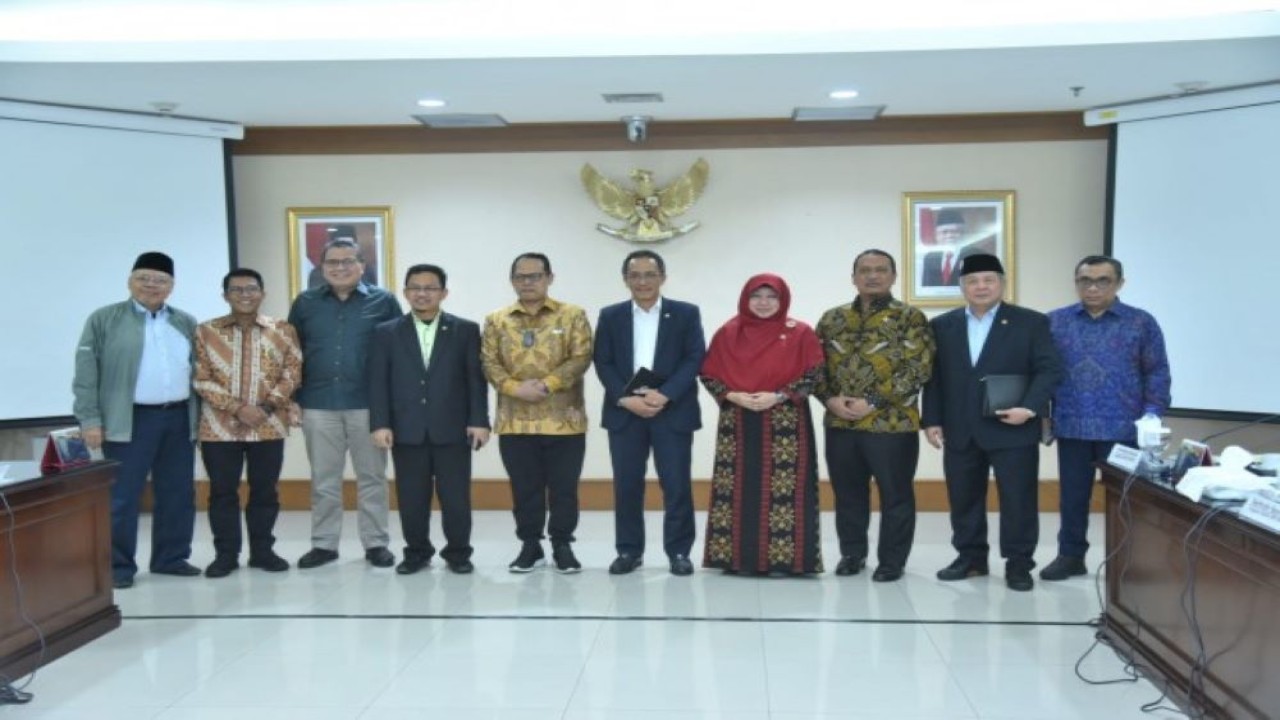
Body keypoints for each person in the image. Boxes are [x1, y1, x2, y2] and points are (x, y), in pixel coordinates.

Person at [922, 253, 1062, 591]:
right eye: (973, 281)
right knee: (963, 497)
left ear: (1002, 283)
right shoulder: (943, 325)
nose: (981, 286)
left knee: (1018, 499)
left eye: (989, 280)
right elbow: (935, 378)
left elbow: (1049, 369)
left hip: (1013, 426)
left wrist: (1030, 409)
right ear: (962, 286)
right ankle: (970, 558)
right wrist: (932, 420)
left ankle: (1018, 564)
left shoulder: (1031, 322)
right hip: (960, 428)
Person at [73, 251, 199, 589]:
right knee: (122, 497)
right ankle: (118, 566)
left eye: (160, 280)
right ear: (130, 281)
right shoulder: (104, 320)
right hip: (128, 420)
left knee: (177, 493)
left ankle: (171, 558)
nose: (152, 285)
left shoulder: (184, 321)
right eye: (144, 278)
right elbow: (86, 375)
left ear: (171, 286)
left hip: (177, 418)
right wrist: (89, 419)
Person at [1043, 255, 1170, 581]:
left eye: (1103, 281)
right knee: (1072, 498)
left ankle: (1128, 560)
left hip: (1124, 429)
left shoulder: (1141, 323)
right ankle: (1070, 556)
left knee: (1126, 500)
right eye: (1086, 281)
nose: (1094, 287)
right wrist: (1043, 416)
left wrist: (1153, 414)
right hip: (1072, 425)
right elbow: (1042, 373)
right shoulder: (1055, 322)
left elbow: (1156, 371)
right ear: (1076, 283)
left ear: (1119, 284)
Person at [815, 250, 935, 582]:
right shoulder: (832, 319)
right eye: (865, 270)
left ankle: (892, 561)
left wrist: (872, 400)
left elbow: (918, 369)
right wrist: (828, 399)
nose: (873, 276)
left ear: (893, 276)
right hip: (840, 423)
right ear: (853, 277)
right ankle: (852, 554)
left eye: (881, 270)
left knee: (895, 494)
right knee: (848, 493)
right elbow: (814, 367)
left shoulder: (910, 318)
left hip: (891, 424)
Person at [369, 264, 490, 576]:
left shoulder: (465, 330)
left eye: (430, 288)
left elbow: (475, 380)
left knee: (456, 499)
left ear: (443, 293)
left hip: (452, 428)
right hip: (406, 430)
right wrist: (380, 423)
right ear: (406, 292)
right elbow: (378, 381)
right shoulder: (386, 332)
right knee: (411, 499)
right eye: (415, 288)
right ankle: (417, 552)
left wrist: (480, 420)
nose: (422, 293)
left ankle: (459, 553)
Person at [288, 238, 402, 569]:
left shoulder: (384, 302)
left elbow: (398, 354)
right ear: (322, 268)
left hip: (368, 405)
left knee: (372, 478)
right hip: (318, 403)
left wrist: (392, 407)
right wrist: (292, 399)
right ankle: (324, 545)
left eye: (347, 261)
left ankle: (376, 543)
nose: (340, 267)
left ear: (361, 266)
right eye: (332, 263)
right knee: (324, 479)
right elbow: (291, 355)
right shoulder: (306, 303)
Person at [700, 273, 825, 575]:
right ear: (746, 299)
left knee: (787, 491)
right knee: (738, 489)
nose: (764, 303)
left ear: (783, 301)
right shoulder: (728, 333)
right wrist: (732, 395)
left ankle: (789, 560)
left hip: (787, 421)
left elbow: (816, 374)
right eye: (757, 296)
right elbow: (708, 374)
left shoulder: (801, 333)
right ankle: (736, 559)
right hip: (738, 420)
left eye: (772, 297)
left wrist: (779, 396)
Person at [594, 250, 706, 576]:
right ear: (626, 280)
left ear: (662, 278)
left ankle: (679, 552)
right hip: (625, 413)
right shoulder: (611, 315)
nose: (642, 281)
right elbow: (603, 361)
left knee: (676, 485)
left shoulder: (685, 313)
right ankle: (629, 551)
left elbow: (694, 357)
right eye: (635, 275)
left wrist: (666, 394)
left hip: (672, 412)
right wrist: (624, 398)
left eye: (650, 274)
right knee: (627, 486)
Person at [481, 252, 593, 573]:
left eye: (535, 276)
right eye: (521, 277)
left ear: (549, 278)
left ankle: (562, 545)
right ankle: (530, 545)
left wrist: (547, 384)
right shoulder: (496, 320)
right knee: (524, 488)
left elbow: (581, 356)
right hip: (515, 420)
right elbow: (488, 361)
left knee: (564, 488)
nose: (528, 282)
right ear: (512, 280)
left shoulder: (572, 315)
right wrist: (514, 388)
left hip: (564, 420)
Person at [193, 268, 302, 578]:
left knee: (265, 491)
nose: (245, 295)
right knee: (222, 492)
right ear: (225, 295)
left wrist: (265, 407)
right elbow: (201, 378)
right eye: (237, 290)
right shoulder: (205, 331)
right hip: (218, 428)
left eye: (251, 289)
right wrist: (239, 408)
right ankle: (225, 555)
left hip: (269, 425)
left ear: (263, 294)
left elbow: (293, 373)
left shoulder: (283, 330)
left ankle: (263, 552)